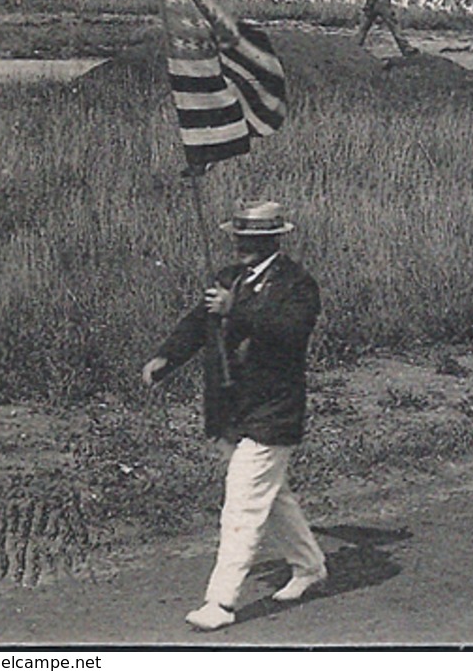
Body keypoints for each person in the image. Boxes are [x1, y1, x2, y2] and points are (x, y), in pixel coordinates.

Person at [143, 200, 327, 631]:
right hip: (231, 407)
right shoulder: (227, 279)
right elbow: (198, 322)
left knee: (242, 505)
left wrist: (236, 310)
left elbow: (289, 334)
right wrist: (166, 358)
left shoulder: (298, 285)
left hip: (274, 408)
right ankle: (310, 565)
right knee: (271, 495)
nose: (243, 246)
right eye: (240, 238)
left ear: (273, 240)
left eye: (254, 240)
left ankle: (220, 603)